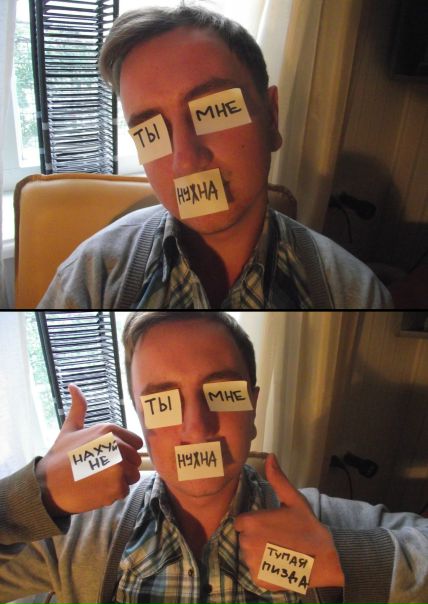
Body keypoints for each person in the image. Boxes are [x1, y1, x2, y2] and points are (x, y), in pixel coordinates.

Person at [1, 311, 427, 604]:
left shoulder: (320, 526)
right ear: (142, 420)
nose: (196, 428)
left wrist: (343, 559)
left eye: (222, 393)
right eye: (163, 403)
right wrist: (36, 495)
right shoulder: (79, 539)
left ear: (252, 409)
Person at [37, 5, 393, 310]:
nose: (185, 161)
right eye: (151, 132)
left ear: (270, 118)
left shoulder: (353, 293)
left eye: (212, 110)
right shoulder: (92, 276)